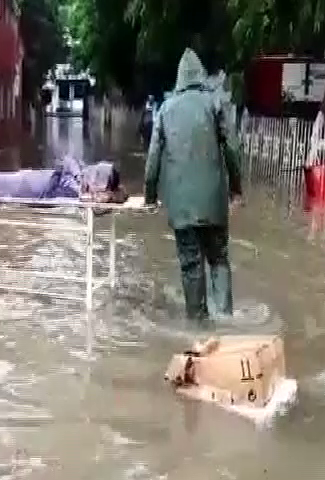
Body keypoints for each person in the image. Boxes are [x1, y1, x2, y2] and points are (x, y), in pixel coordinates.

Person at [144, 48, 243, 321]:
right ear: (200, 75)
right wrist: (237, 190)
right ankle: (226, 320)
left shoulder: (165, 110)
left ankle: (198, 325)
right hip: (214, 204)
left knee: (191, 265)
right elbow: (232, 149)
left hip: (182, 210)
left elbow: (152, 159)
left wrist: (150, 197)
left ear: (178, 78)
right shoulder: (215, 103)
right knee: (219, 260)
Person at [0, 156, 127, 204]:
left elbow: (114, 197)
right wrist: (79, 177)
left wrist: (90, 193)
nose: (91, 178)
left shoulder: (83, 194)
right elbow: (69, 159)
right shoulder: (80, 178)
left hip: (34, 187)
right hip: (34, 181)